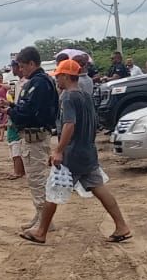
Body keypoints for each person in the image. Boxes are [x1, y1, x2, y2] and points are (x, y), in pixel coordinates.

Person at [23, 59, 132, 244]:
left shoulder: (68, 96)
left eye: (58, 76)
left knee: (53, 190)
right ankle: (122, 225)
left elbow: (69, 124)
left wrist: (59, 150)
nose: (57, 79)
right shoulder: (85, 95)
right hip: (87, 151)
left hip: (72, 154)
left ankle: (41, 231)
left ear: (66, 76)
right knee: (99, 188)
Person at [10, 47, 60, 231]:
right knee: (34, 179)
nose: (20, 70)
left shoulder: (39, 83)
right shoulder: (38, 82)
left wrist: (10, 111)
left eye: (22, 66)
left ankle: (44, 221)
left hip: (36, 138)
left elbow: (28, 112)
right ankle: (40, 215)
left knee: (38, 179)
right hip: (33, 137)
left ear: (32, 63)